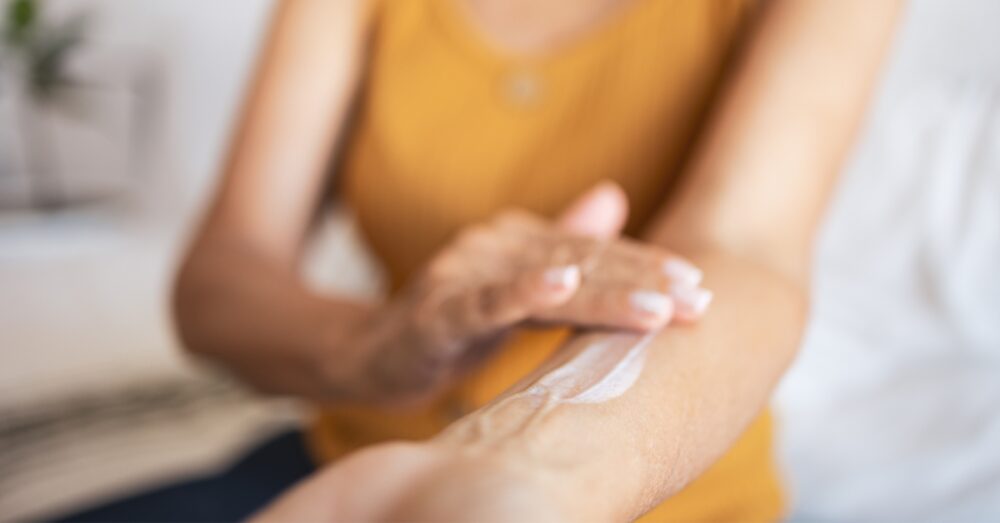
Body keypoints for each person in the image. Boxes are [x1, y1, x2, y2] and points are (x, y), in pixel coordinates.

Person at [59, 0, 902, 521]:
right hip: (355, 469)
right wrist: (376, 345)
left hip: (648, 495)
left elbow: (745, 247)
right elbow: (220, 279)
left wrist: (528, 473)